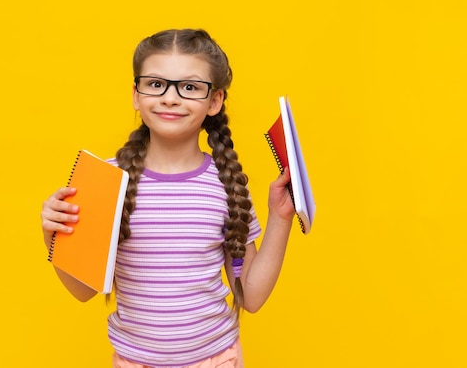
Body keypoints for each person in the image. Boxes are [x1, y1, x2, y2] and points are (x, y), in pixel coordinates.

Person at [41, 29, 295, 367]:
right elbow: (83, 291)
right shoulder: (105, 180)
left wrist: (279, 217)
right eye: (156, 84)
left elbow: (251, 296)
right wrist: (53, 236)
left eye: (189, 87)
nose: (170, 98)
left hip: (215, 360)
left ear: (214, 101)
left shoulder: (227, 184)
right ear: (136, 94)